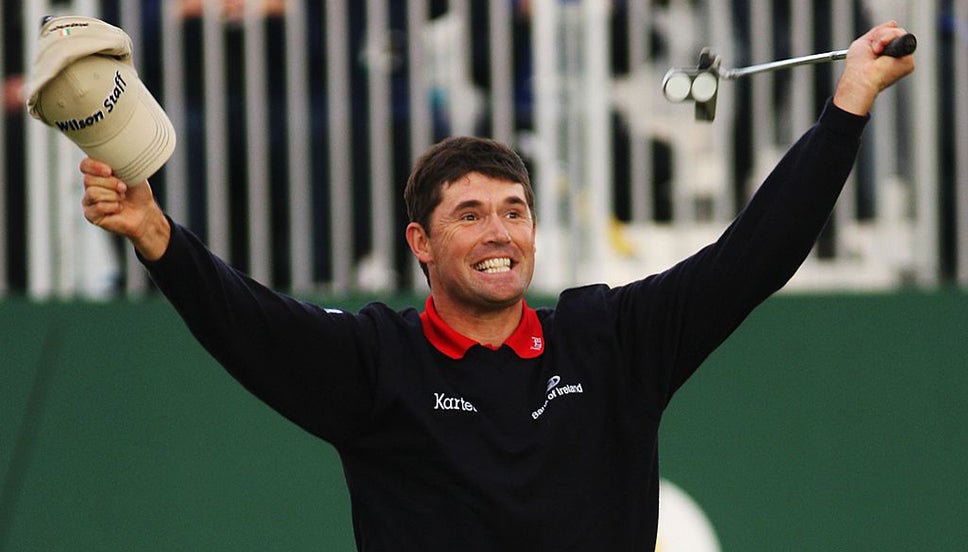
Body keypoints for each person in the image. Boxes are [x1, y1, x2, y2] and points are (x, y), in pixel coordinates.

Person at [77, 21, 914, 552]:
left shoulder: (610, 341)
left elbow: (754, 255)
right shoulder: (376, 361)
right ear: (422, 244)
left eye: (514, 211)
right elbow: (247, 324)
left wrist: (846, 106)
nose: (498, 233)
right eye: (470, 215)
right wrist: (157, 236)